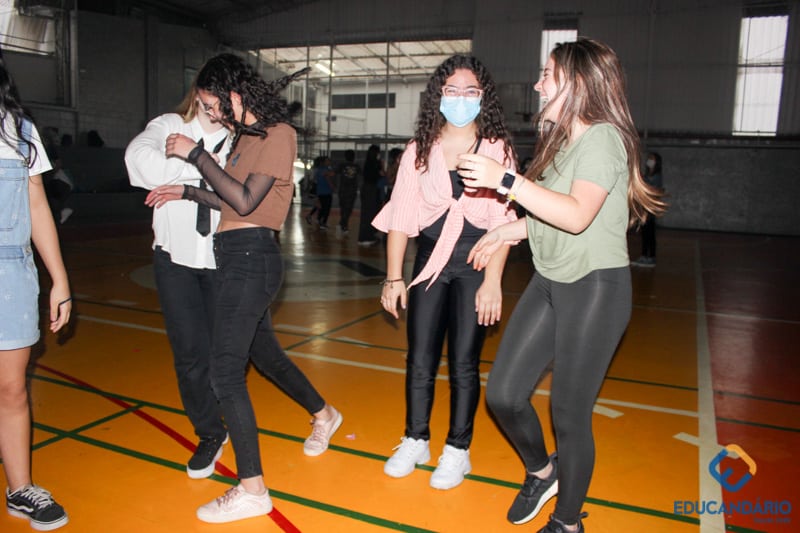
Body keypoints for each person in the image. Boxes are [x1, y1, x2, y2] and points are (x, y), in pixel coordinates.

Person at [457, 38, 666, 533]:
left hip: (594, 288)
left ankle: (568, 522)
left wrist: (506, 180)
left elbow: (576, 216)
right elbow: (549, 213)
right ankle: (541, 472)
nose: (537, 84)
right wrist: (508, 230)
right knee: (504, 394)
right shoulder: (561, 140)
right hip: (550, 279)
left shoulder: (604, 139)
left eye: (546, 75)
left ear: (576, 82)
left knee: (569, 414)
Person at [145, 53, 342, 524]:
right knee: (265, 355)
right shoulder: (244, 140)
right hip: (231, 256)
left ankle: (253, 489)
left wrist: (194, 155)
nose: (210, 114)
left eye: (212, 105)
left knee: (225, 373)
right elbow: (228, 199)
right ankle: (324, 414)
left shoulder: (279, 134)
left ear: (234, 95)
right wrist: (186, 191)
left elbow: (248, 201)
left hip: (253, 258)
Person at [372, 54, 518, 490]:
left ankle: (458, 449)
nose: (460, 99)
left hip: (477, 261)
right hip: (430, 261)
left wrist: (492, 282)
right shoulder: (419, 151)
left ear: (483, 97)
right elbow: (401, 217)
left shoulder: (497, 150)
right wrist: (393, 277)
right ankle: (416, 439)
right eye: (451, 90)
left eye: (470, 91)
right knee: (419, 358)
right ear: (438, 95)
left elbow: (504, 223)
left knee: (464, 364)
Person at [125, 79, 231, 480]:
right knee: (188, 354)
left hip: (226, 259)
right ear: (198, 94)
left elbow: (243, 194)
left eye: (226, 100)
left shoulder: (242, 137)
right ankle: (210, 432)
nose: (216, 108)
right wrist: (200, 164)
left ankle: (228, 411)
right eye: (210, 99)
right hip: (175, 259)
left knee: (225, 355)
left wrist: (193, 169)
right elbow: (139, 164)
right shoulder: (170, 125)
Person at [0, 50, 71, 531]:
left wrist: (59, 279)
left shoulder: (19, 131)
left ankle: (20, 488)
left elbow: (38, 206)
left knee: (11, 388)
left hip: (11, 273)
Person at [631, 151, 663, 267]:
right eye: (649, 158)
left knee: (650, 233)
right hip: (643, 208)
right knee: (644, 233)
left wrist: (642, 181)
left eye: (652, 159)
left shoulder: (656, 177)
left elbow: (651, 190)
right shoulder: (647, 176)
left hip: (650, 209)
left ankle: (651, 257)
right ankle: (644, 256)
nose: (649, 161)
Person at [357, 144, 383, 245]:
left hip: (368, 188)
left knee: (368, 213)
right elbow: (379, 175)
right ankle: (365, 238)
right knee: (369, 214)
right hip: (370, 189)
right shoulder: (374, 163)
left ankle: (366, 236)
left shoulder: (369, 162)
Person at [335, 149, 360, 233]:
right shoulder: (356, 166)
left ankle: (343, 223)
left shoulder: (342, 165)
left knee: (344, 208)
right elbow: (361, 176)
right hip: (351, 190)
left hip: (343, 190)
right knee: (348, 208)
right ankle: (344, 224)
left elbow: (334, 174)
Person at [313, 155, 335, 230]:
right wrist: (332, 187)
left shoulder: (318, 170)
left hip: (320, 192)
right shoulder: (325, 170)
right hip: (326, 192)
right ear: (324, 162)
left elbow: (315, 180)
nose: (329, 162)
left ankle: (319, 220)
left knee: (322, 207)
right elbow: (331, 176)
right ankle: (323, 223)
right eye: (328, 161)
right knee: (326, 208)